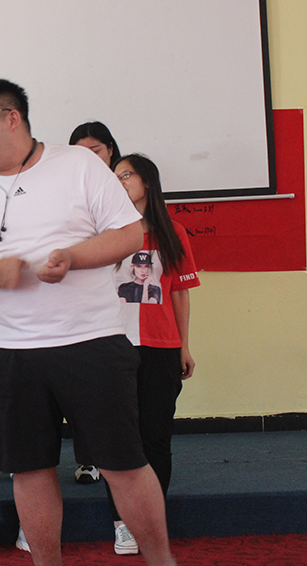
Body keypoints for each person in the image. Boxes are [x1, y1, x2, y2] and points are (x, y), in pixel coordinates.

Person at [0, 79, 176, 566]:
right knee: (29, 470)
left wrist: (72, 257)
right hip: (10, 351)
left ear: (12, 117)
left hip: (91, 342)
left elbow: (129, 234)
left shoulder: (77, 164)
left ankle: (161, 560)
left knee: (124, 463)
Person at [106, 153, 200, 556]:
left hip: (162, 347)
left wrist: (184, 344)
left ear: (147, 182)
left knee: (156, 437)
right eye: (115, 176)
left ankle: (153, 518)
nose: (119, 181)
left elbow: (179, 294)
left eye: (126, 174)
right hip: (113, 347)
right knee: (119, 439)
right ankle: (122, 524)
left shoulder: (172, 232)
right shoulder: (106, 231)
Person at [67, 120, 122, 486]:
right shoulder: (66, 193)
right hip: (79, 307)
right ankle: (86, 459)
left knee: (107, 395)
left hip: (123, 307)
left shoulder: (121, 192)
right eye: (80, 151)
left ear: (110, 151)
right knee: (77, 389)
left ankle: (107, 460)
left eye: (96, 150)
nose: (88, 158)